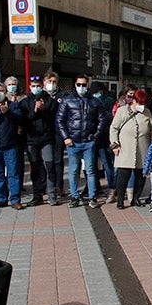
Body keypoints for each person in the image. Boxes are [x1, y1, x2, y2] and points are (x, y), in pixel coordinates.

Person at [57, 74, 102, 208]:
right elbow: (60, 120)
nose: (81, 87)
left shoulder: (94, 101)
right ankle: (74, 197)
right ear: (75, 85)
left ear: (87, 85)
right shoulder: (67, 100)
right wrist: (66, 137)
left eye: (84, 85)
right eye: (79, 84)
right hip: (73, 142)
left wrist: (95, 135)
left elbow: (102, 119)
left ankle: (92, 197)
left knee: (91, 170)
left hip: (89, 142)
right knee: (73, 170)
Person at [110, 89, 152, 209]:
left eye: (143, 103)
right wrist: (115, 144)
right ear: (133, 101)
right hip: (125, 148)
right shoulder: (122, 111)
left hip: (142, 149)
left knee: (140, 176)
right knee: (123, 175)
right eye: (139, 103)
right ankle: (120, 199)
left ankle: (136, 198)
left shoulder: (147, 112)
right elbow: (114, 128)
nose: (141, 106)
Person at [23, 76, 61, 205]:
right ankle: (37, 195)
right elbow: (24, 120)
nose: (36, 88)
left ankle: (51, 194)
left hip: (47, 138)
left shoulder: (50, 100)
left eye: (38, 85)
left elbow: (54, 119)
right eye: (33, 86)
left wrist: (44, 111)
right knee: (35, 166)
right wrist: (34, 111)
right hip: (31, 139)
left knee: (50, 165)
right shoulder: (25, 102)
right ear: (29, 87)